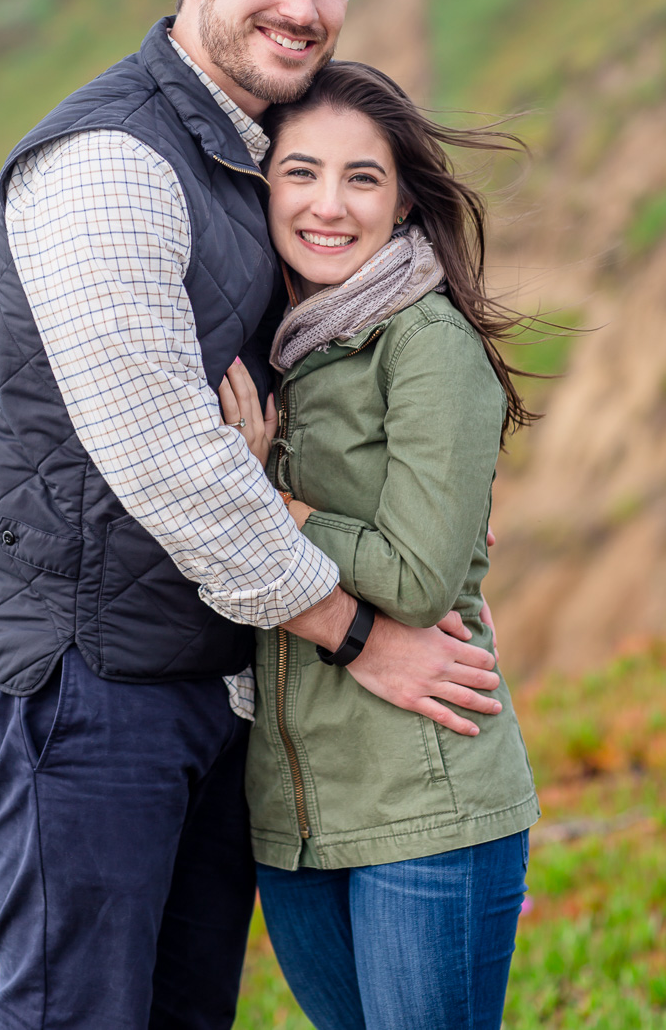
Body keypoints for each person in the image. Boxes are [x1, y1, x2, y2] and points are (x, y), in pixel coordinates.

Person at [0, 0, 504, 1030]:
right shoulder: (111, 161)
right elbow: (169, 457)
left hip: (207, 675)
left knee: (184, 1009)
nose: (302, 6)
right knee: (78, 1011)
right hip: (87, 675)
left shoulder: (249, 150)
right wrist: (364, 634)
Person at [220, 62, 540, 1030]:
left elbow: (416, 576)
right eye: (299, 172)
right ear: (263, 186)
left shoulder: (425, 341)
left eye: (361, 178)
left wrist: (269, 505)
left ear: (402, 200)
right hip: (298, 821)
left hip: (424, 802)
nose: (327, 204)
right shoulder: (288, 342)